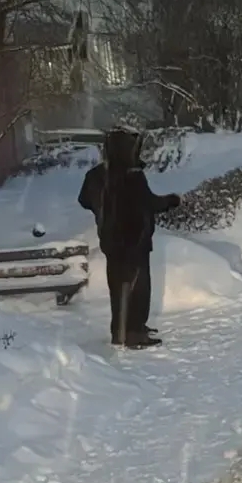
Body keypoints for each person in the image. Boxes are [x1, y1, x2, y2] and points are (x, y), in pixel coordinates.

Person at [78, 129, 182, 348]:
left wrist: (102, 210)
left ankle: (120, 331)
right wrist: (171, 201)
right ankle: (134, 332)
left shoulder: (97, 175)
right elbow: (149, 203)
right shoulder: (132, 176)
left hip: (111, 241)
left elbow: (84, 200)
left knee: (118, 288)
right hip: (135, 241)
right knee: (138, 289)